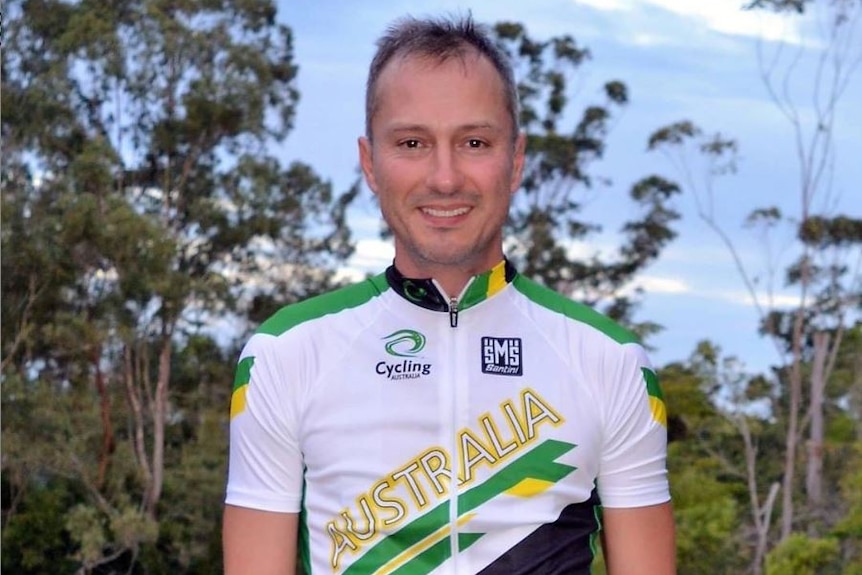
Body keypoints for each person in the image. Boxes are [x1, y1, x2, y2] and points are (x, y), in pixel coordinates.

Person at [223, 14, 675, 575]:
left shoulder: (610, 362)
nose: (444, 177)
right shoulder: (286, 355)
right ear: (370, 163)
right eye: (412, 142)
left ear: (515, 161)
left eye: (474, 142)